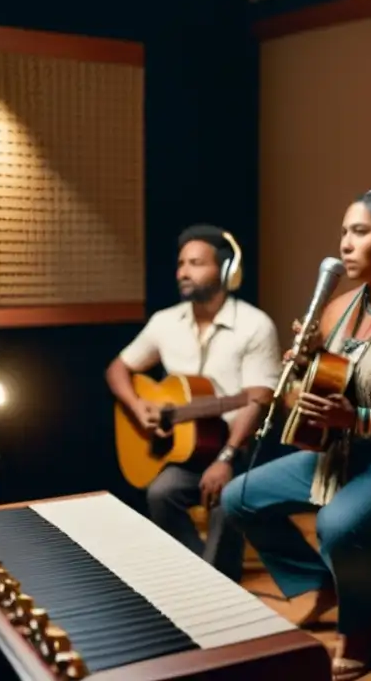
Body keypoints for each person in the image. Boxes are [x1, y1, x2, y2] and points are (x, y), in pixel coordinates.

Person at [221, 187, 371, 681]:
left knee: (338, 525)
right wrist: (305, 367)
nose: (346, 245)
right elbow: (321, 395)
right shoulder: (337, 309)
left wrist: (357, 420)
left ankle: (361, 626)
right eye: (343, 233)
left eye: (360, 231)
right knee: (238, 496)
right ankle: (321, 582)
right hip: (342, 451)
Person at [106, 224, 283, 583]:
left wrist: (226, 457)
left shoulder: (254, 325)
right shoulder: (165, 322)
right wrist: (139, 407)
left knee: (225, 496)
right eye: (181, 263)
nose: (183, 272)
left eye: (196, 263)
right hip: (191, 450)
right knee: (161, 493)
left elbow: (257, 400)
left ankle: (218, 584)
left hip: (242, 447)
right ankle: (201, 576)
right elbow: (118, 369)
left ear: (227, 271)